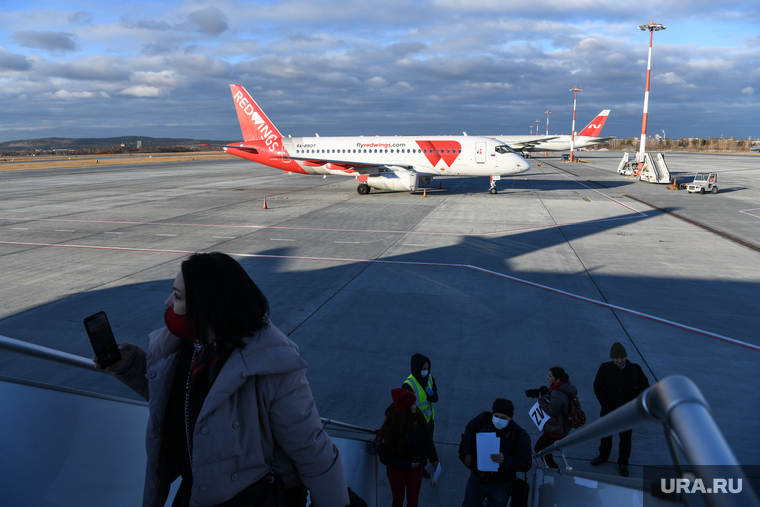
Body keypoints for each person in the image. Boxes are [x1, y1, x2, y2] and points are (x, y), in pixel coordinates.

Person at [94, 252, 350, 507]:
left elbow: (312, 452)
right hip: (194, 493)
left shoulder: (271, 365)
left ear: (209, 306)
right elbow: (178, 402)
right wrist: (133, 365)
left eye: (178, 296)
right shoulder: (182, 346)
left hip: (251, 499)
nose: (167, 301)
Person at [592, 341, 650, 477]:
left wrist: (633, 404)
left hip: (627, 412)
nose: (619, 360)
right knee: (605, 434)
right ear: (612, 358)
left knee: (625, 438)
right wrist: (605, 404)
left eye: (622, 357)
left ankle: (623, 463)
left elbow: (645, 388)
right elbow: (597, 386)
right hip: (608, 410)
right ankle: (603, 456)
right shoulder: (604, 368)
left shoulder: (636, 369)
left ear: (626, 357)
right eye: (616, 358)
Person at [460, 399, 531, 507]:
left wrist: (505, 460)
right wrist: (467, 453)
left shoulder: (520, 435)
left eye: (503, 418)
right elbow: (469, 429)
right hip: (477, 478)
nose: (498, 420)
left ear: (510, 418)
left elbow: (526, 463)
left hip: (501, 485)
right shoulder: (483, 419)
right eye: (496, 416)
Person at [377, 388, 439, 507]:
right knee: (398, 500)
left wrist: (434, 459)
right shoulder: (390, 428)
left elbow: (427, 438)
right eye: (413, 404)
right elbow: (384, 457)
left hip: (416, 468)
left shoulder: (418, 415)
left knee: (413, 501)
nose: (416, 405)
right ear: (406, 407)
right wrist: (407, 465)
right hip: (397, 470)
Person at [534, 366, 577, 469]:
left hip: (556, 430)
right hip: (562, 426)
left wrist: (541, 400)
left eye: (550, 376)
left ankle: (553, 469)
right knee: (546, 448)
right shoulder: (565, 386)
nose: (547, 377)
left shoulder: (557, 393)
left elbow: (551, 412)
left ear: (557, 380)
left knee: (539, 448)